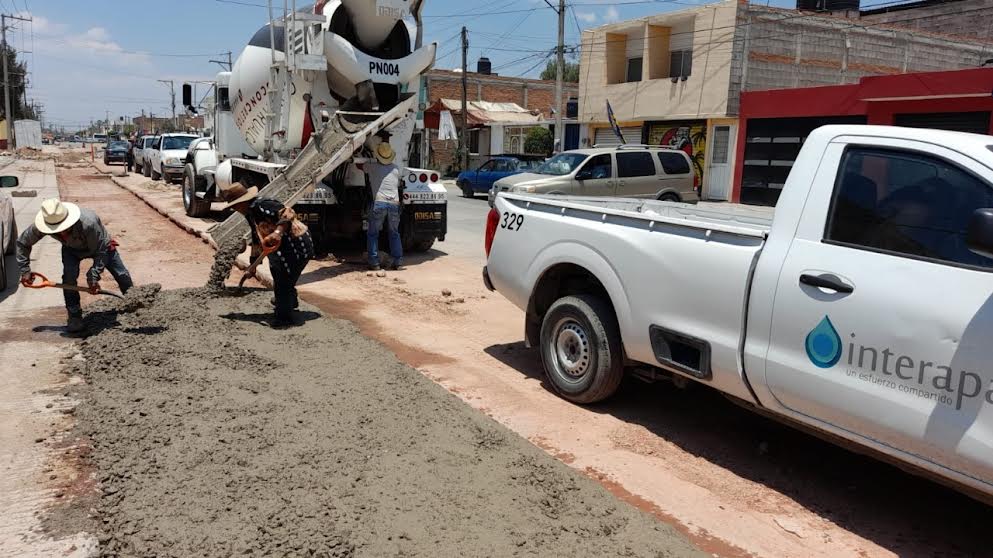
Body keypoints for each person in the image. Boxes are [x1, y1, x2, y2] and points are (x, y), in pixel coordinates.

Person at [17, 198, 133, 333]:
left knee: (121, 273)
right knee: (69, 279)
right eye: (56, 230)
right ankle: (74, 316)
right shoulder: (44, 225)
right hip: (71, 250)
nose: (61, 233)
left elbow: (102, 251)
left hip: (101, 247)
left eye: (64, 229)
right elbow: (23, 243)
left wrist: (93, 277)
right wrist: (25, 270)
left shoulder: (89, 224)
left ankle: (134, 302)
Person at [220, 183, 314, 327]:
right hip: (280, 250)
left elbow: (287, 213)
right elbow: (257, 239)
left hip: (297, 246)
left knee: (284, 281)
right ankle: (289, 301)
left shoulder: (263, 205)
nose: (234, 209)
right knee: (279, 275)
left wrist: (278, 232)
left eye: (234, 206)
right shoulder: (250, 214)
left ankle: (284, 319)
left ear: (242, 202)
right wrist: (253, 266)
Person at [361, 141, 403, 271]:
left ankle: (374, 263)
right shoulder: (396, 169)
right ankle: (398, 262)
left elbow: (360, 166)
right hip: (394, 203)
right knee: (394, 233)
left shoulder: (372, 167)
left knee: (373, 233)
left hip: (379, 202)